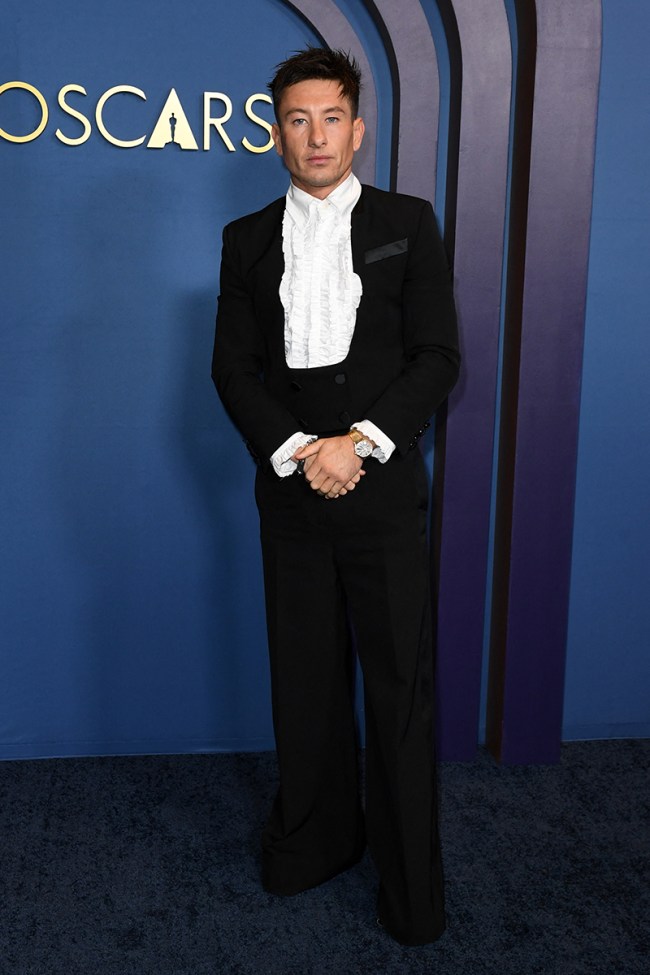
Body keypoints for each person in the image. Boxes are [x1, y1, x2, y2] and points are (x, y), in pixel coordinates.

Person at [212, 47, 459, 946]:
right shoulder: (244, 239)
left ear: (358, 129)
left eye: (330, 119)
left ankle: (411, 891)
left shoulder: (410, 220)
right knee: (305, 682)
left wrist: (358, 445)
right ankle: (316, 842)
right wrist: (298, 451)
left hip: (383, 492)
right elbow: (232, 369)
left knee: (397, 692)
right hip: (292, 495)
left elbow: (438, 356)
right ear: (276, 131)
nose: (313, 136)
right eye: (295, 119)